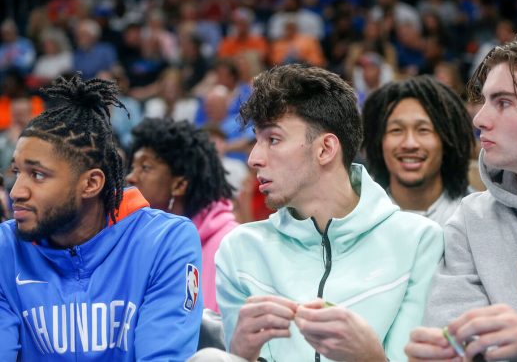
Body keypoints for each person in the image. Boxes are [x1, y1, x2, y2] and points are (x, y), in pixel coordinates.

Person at [193, 64, 443, 361]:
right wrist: (241, 354)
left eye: (273, 139)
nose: (254, 158)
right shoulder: (239, 249)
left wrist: (371, 358)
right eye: (256, 140)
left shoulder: (418, 241)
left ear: (325, 149)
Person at [0, 75, 203, 361]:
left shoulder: (165, 241)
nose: (17, 192)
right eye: (17, 172)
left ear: (91, 184)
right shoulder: (6, 247)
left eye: (38, 175)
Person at [405, 36, 517, 362]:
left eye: (503, 102)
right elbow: (455, 337)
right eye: (485, 101)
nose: (479, 119)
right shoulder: (470, 218)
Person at [126, 117, 238, 313]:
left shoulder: (230, 244)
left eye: (145, 167)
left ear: (179, 185)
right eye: (132, 167)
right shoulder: (135, 238)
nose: (130, 177)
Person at [362, 76, 474, 226]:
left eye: (423, 130)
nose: (409, 144)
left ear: (448, 140)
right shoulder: (356, 217)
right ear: (378, 141)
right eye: (396, 130)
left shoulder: (475, 217)